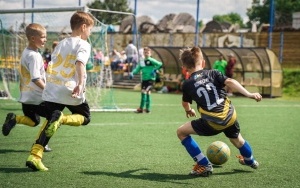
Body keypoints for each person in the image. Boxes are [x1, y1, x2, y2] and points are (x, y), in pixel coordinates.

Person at [25, 11, 94, 171]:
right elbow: (80, 63)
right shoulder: (84, 44)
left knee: (50, 121)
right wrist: (81, 82)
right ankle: (62, 119)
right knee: (85, 117)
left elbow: (51, 65)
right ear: (84, 27)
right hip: (70, 89)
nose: (89, 33)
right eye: (90, 29)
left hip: (53, 88)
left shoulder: (61, 43)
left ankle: (35, 156)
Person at [177, 47, 262, 177]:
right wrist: (249, 94)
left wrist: (189, 110)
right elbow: (230, 81)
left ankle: (204, 164)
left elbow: (185, 103)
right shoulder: (214, 73)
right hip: (230, 116)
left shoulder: (187, 84)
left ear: (184, 67)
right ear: (203, 62)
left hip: (213, 122)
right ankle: (250, 160)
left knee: (181, 132)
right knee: (237, 140)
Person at [1, 23, 52, 152]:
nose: (45, 39)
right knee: (54, 116)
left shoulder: (26, 52)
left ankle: (15, 119)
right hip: (37, 98)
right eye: (43, 37)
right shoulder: (34, 56)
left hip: (26, 97)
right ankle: (41, 143)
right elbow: (36, 78)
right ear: (33, 39)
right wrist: (48, 90)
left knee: (34, 121)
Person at [129, 47, 162, 113]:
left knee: (144, 92)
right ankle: (147, 109)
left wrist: (154, 70)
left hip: (150, 79)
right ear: (143, 53)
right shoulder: (142, 61)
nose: (146, 54)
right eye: (145, 52)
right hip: (144, 79)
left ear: (150, 53)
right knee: (147, 93)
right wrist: (132, 73)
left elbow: (160, 64)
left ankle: (141, 108)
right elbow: (138, 68)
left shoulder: (151, 60)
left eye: (148, 52)